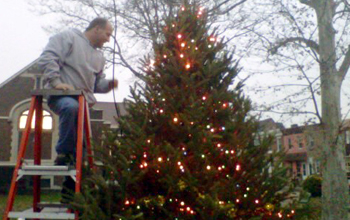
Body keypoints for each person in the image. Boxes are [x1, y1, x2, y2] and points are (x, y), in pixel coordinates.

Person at [37, 17, 118, 203]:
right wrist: (56, 82)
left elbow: (96, 84)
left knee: (81, 152)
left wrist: (109, 85)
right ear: (96, 29)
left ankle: (69, 197)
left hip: (83, 104)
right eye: (107, 34)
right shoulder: (68, 38)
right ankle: (63, 153)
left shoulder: (99, 57)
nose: (108, 39)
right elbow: (47, 58)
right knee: (71, 107)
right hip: (63, 98)